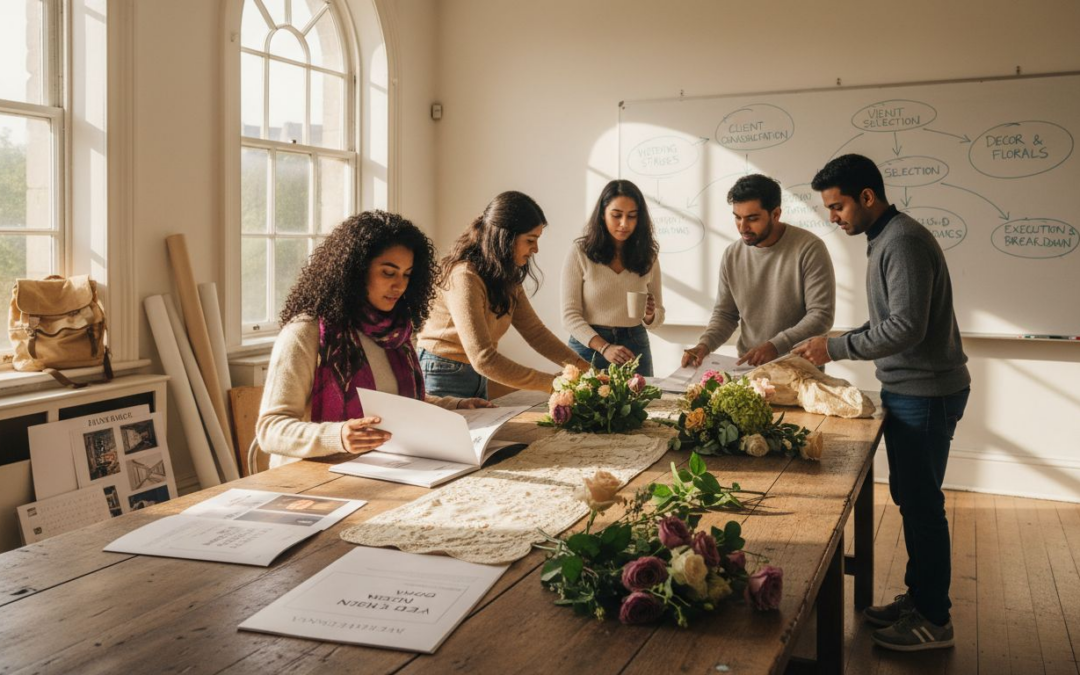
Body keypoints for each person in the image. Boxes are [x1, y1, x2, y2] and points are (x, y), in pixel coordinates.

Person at [794, 154, 971, 652]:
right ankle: (919, 599)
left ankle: (934, 620)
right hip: (912, 390)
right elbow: (891, 321)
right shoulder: (885, 240)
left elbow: (906, 327)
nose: (833, 217)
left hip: (928, 393)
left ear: (867, 197)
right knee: (913, 502)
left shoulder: (903, 242)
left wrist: (835, 346)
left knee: (922, 506)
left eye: (838, 207)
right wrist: (837, 338)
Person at [256, 210, 490, 469]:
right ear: (355, 271)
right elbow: (270, 430)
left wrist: (456, 405)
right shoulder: (305, 333)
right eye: (388, 273)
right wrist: (339, 436)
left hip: (380, 468)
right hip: (310, 476)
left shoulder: (396, 331)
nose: (400, 285)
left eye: (407, 274)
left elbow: (398, 405)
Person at [418, 191, 589, 397]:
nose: (535, 249)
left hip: (474, 373)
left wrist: (583, 368)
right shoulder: (464, 276)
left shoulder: (506, 278)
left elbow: (535, 333)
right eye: (530, 240)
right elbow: (483, 358)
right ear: (505, 238)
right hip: (442, 370)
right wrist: (553, 383)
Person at [682, 174, 835, 369]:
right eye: (737, 218)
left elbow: (821, 316)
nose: (743, 227)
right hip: (750, 369)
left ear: (776, 214)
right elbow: (725, 315)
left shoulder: (809, 248)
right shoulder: (732, 255)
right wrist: (704, 345)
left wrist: (775, 345)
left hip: (800, 369)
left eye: (752, 219)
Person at [561, 179, 665, 376]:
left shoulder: (648, 255)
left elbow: (658, 315)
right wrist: (605, 348)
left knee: (641, 405)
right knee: (582, 405)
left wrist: (650, 315)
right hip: (588, 345)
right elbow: (569, 316)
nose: (624, 224)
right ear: (602, 214)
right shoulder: (579, 252)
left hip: (634, 345)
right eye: (616, 215)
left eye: (632, 216)